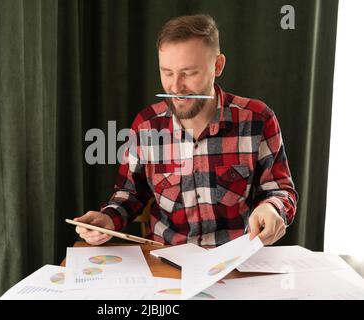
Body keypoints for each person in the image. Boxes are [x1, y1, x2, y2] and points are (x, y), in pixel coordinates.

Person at [73, 14, 297, 247]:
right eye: (167, 72)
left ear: (217, 66)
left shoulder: (258, 119)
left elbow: (280, 190)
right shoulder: (146, 124)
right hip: (165, 260)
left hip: (234, 261)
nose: (176, 87)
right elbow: (131, 193)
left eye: (188, 73)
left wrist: (272, 208)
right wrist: (108, 218)